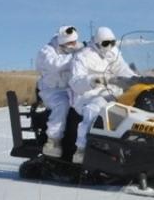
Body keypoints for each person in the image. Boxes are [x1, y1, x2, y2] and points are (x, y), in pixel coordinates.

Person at [69, 27, 136, 164]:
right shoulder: (83, 56)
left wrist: (137, 79)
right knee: (95, 108)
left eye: (112, 43)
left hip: (111, 93)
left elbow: (124, 70)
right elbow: (75, 81)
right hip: (87, 95)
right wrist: (91, 81)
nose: (109, 46)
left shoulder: (114, 53)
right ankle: (81, 149)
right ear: (97, 43)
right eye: (106, 43)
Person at [34, 25, 82, 157]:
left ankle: (81, 144)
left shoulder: (77, 48)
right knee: (62, 104)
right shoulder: (46, 51)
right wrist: (77, 57)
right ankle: (53, 141)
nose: (73, 45)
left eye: (74, 42)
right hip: (52, 90)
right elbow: (56, 64)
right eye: (70, 43)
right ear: (62, 42)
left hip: (72, 88)